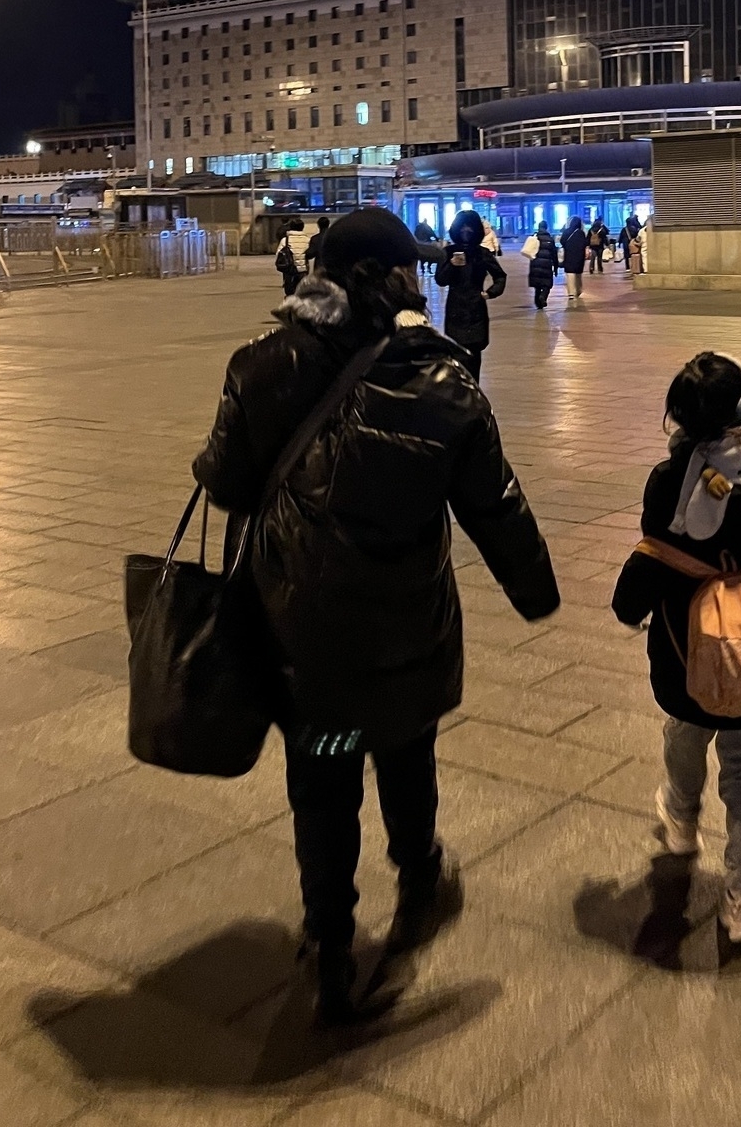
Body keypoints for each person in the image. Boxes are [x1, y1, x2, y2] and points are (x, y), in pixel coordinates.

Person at [193, 207, 560, 1025]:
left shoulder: (261, 365)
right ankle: (420, 873)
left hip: (303, 640)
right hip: (405, 630)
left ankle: (328, 941)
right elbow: (494, 506)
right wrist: (536, 592)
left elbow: (222, 480)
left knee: (323, 778)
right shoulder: (445, 378)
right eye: (410, 269)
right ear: (393, 279)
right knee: (404, 749)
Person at [610, 351, 741, 949]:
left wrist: (628, 606)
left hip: (686, 648)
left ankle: (680, 819)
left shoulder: (667, 479)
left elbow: (654, 553)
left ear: (680, 416)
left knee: (685, 726)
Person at [434, 209, 506, 382]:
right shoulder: (448, 252)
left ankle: (474, 397)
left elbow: (500, 276)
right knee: (457, 362)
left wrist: (489, 294)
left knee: (474, 361)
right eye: (462, 227)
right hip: (455, 311)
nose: (466, 231)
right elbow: (441, 280)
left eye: (470, 227)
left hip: (476, 311)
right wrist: (451, 265)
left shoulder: (482, 253)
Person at [274, 215, 310, 297]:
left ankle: (290, 308)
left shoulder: (286, 240)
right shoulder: (307, 240)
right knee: (302, 293)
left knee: (290, 293)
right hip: (303, 270)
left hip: (290, 270)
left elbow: (278, 254)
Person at [527, 221, 558, 310]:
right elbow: (554, 254)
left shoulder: (534, 238)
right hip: (546, 264)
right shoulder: (550, 239)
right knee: (546, 284)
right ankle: (543, 296)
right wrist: (555, 267)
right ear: (546, 227)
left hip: (535, 264)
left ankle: (538, 304)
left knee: (537, 286)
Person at [559, 215, 587, 304]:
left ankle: (571, 293)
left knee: (570, 274)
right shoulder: (581, 233)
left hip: (569, 255)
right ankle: (578, 290)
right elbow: (585, 243)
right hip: (579, 256)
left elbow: (562, 241)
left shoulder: (566, 232)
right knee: (578, 274)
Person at [619, 212, 643, 277]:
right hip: (632, 244)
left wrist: (619, 243)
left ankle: (627, 267)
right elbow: (636, 236)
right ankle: (634, 266)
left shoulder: (624, 229)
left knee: (626, 256)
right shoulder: (634, 228)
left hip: (625, 244)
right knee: (633, 256)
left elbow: (621, 236)